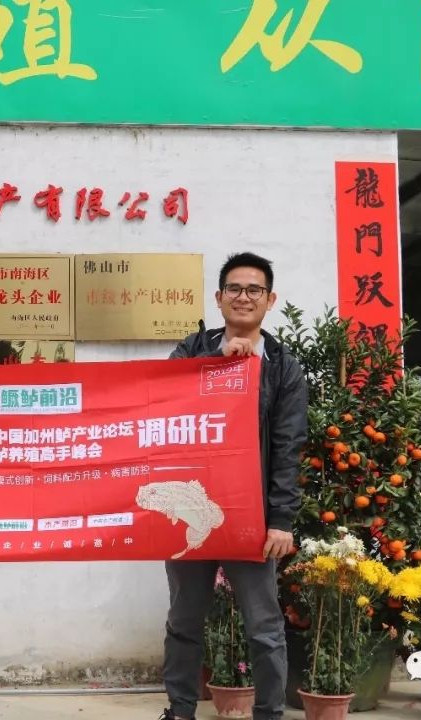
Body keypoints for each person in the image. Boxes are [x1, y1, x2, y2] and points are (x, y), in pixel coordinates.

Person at [159, 252, 308, 720]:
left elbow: (288, 446)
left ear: (270, 300)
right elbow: (162, 402)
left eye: (254, 290)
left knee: (264, 626)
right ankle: (180, 710)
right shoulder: (191, 351)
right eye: (235, 289)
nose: (244, 297)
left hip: (252, 515)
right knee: (184, 620)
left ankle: (269, 714)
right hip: (192, 506)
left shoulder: (283, 366)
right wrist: (213, 364)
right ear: (219, 297)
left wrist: (281, 519)